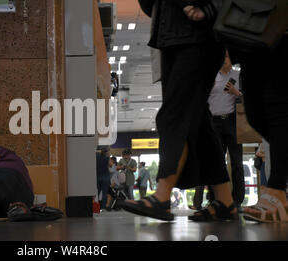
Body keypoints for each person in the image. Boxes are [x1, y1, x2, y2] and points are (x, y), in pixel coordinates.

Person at [119, 0, 238, 222]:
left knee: (174, 114)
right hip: (170, 36)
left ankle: (162, 196)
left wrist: (207, 7)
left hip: (198, 34)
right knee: (199, 121)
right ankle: (225, 201)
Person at [229, 32, 288, 222]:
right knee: (255, 115)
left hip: (279, 33)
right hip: (249, 41)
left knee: (277, 109)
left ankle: (277, 190)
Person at [208, 51, 245, 209]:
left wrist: (237, 93)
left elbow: (248, 97)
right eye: (222, 56)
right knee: (215, 162)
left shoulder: (238, 75)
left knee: (237, 163)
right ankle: (214, 200)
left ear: (232, 59)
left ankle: (237, 201)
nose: (224, 60)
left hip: (233, 121)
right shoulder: (211, 75)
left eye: (227, 56)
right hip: (214, 122)